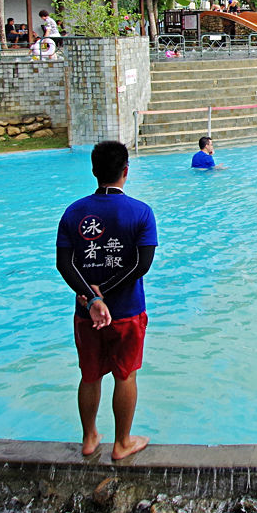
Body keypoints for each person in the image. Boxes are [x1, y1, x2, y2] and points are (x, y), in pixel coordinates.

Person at [54, 141, 155, 460]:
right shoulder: (141, 212)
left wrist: (92, 298)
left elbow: (64, 264)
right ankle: (122, 442)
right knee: (125, 374)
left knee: (90, 374)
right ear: (126, 171)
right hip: (127, 311)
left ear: (94, 171)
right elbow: (141, 265)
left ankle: (89, 438)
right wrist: (108, 291)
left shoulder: (74, 212)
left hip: (87, 313)